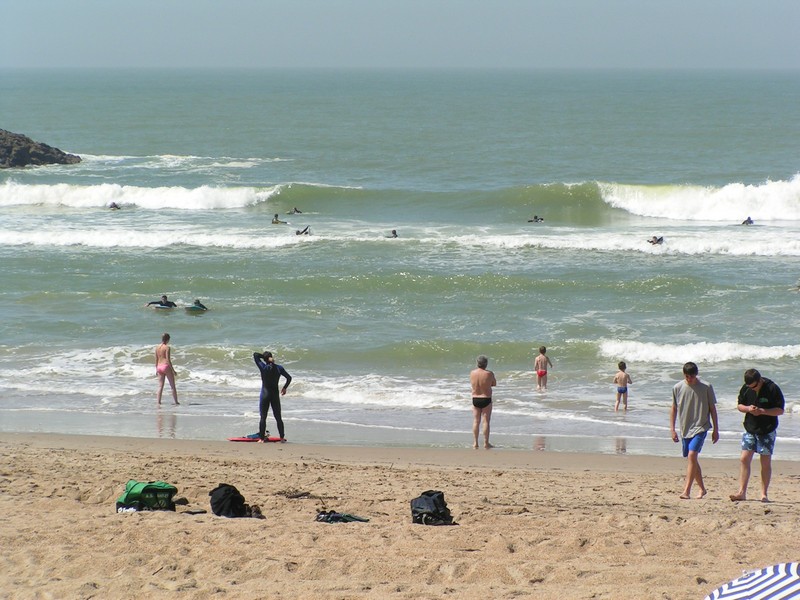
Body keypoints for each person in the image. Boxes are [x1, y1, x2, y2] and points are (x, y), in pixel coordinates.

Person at [729, 369, 785, 503]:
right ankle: (742, 492)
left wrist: (762, 411)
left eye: (754, 386)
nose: (752, 389)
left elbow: (780, 410)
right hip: (750, 428)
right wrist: (748, 409)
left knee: (765, 461)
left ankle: (764, 493)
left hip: (767, 429)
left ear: (760, 381)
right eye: (749, 387)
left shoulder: (772, 388)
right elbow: (740, 405)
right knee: (744, 458)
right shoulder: (747, 388)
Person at [670, 362, 719, 499]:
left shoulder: (706, 387)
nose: (689, 379)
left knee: (692, 456)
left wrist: (716, 429)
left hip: (701, 427)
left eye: (691, 376)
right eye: (686, 376)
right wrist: (672, 429)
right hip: (685, 428)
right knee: (692, 459)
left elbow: (712, 409)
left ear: (696, 374)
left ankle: (686, 491)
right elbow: (674, 409)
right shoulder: (677, 387)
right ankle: (702, 489)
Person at [253, 351, 292, 442]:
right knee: (278, 417)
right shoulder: (279, 368)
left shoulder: (263, 367)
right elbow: (289, 378)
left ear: (265, 359)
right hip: (274, 395)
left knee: (263, 417)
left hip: (265, 395)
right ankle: (282, 438)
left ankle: (262, 439)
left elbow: (255, 355)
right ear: (271, 358)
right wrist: (284, 388)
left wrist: (264, 357)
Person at [470, 355, 497, 449]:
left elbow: (473, 384)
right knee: (486, 421)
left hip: (475, 398)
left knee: (476, 421)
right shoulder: (489, 373)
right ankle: (486, 443)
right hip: (486, 398)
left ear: (477, 363)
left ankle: (475, 443)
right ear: (486, 364)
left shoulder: (472, 373)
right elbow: (494, 383)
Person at [155, 333, 178, 405]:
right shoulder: (167, 347)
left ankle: (158, 402)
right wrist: (173, 370)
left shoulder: (157, 347)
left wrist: (156, 369)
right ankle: (176, 402)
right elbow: (168, 360)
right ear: (168, 339)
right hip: (165, 366)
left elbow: (156, 359)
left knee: (160, 386)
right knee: (172, 385)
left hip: (159, 366)